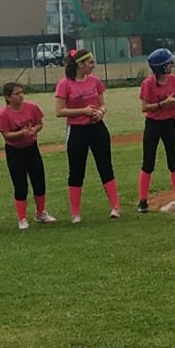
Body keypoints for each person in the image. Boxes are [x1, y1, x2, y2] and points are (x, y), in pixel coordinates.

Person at [55, 48, 121, 223]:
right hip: (76, 131)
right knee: (76, 171)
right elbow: (59, 111)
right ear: (80, 64)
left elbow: (103, 104)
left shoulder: (95, 81)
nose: (94, 65)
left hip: (97, 128)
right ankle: (75, 213)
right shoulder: (65, 84)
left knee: (105, 166)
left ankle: (115, 207)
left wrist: (100, 112)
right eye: (90, 62)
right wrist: (83, 111)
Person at [0, 82, 57, 229]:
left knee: (39, 181)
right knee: (20, 185)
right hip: (15, 151)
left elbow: (39, 123)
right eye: (16, 94)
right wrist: (21, 133)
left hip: (31, 148)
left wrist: (34, 130)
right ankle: (22, 218)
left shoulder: (32, 107)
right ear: (8, 97)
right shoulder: (3, 114)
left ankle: (41, 212)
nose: (20, 96)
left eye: (22, 92)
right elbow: (7, 135)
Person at [138, 48, 175, 214]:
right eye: (168, 63)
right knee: (148, 163)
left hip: (169, 124)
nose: (171, 65)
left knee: (174, 161)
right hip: (153, 125)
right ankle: (143, 200)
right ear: (160, 67)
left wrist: (174, 103)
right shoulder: (148, 84)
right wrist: (162, 104)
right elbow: (144, 107)